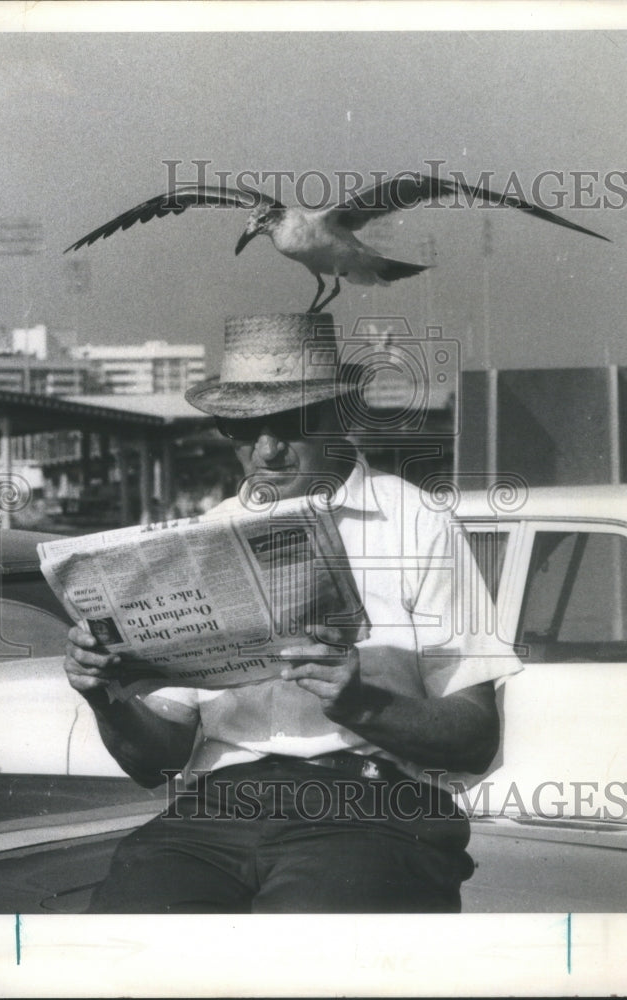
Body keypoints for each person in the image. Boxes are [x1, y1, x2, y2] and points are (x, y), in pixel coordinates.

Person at [64, 312, 523, 913]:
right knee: (126, 931)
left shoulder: (416, 522)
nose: (266, 451)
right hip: (216, 809)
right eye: (240, 429)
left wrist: (362, 704)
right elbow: (159, 761)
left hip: (370, 807)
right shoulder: (207, 531)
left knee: (309, 942)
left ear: (339, 418)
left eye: (291, 425)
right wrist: (104, 693)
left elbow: (476, 738)